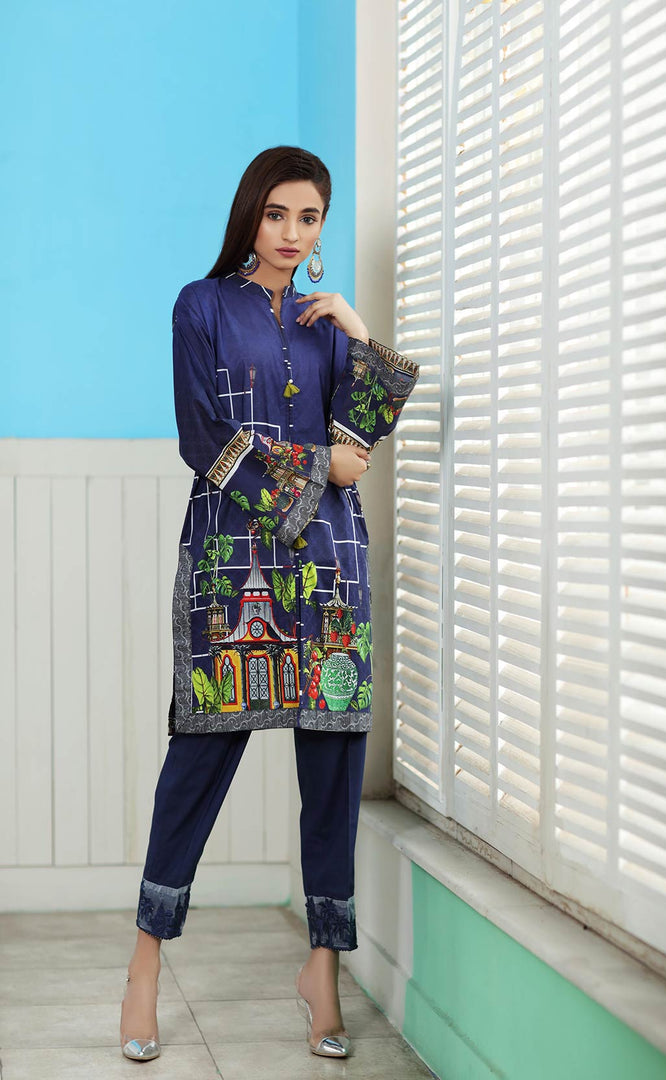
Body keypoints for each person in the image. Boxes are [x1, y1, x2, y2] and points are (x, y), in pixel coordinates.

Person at [119, 145, 419, 1062]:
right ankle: (144, 966)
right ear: (251, 213)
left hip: (330, 566)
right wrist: (319, 465)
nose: (292, 233)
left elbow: (364, 439)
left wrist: (357, 330)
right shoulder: (201, 306)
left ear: (323, 226)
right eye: (277, 213)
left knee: (332, 769)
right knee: (197, 762)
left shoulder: (328, 325)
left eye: (310, 217)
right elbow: (203, 437)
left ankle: (322, 971)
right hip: (232, 564)